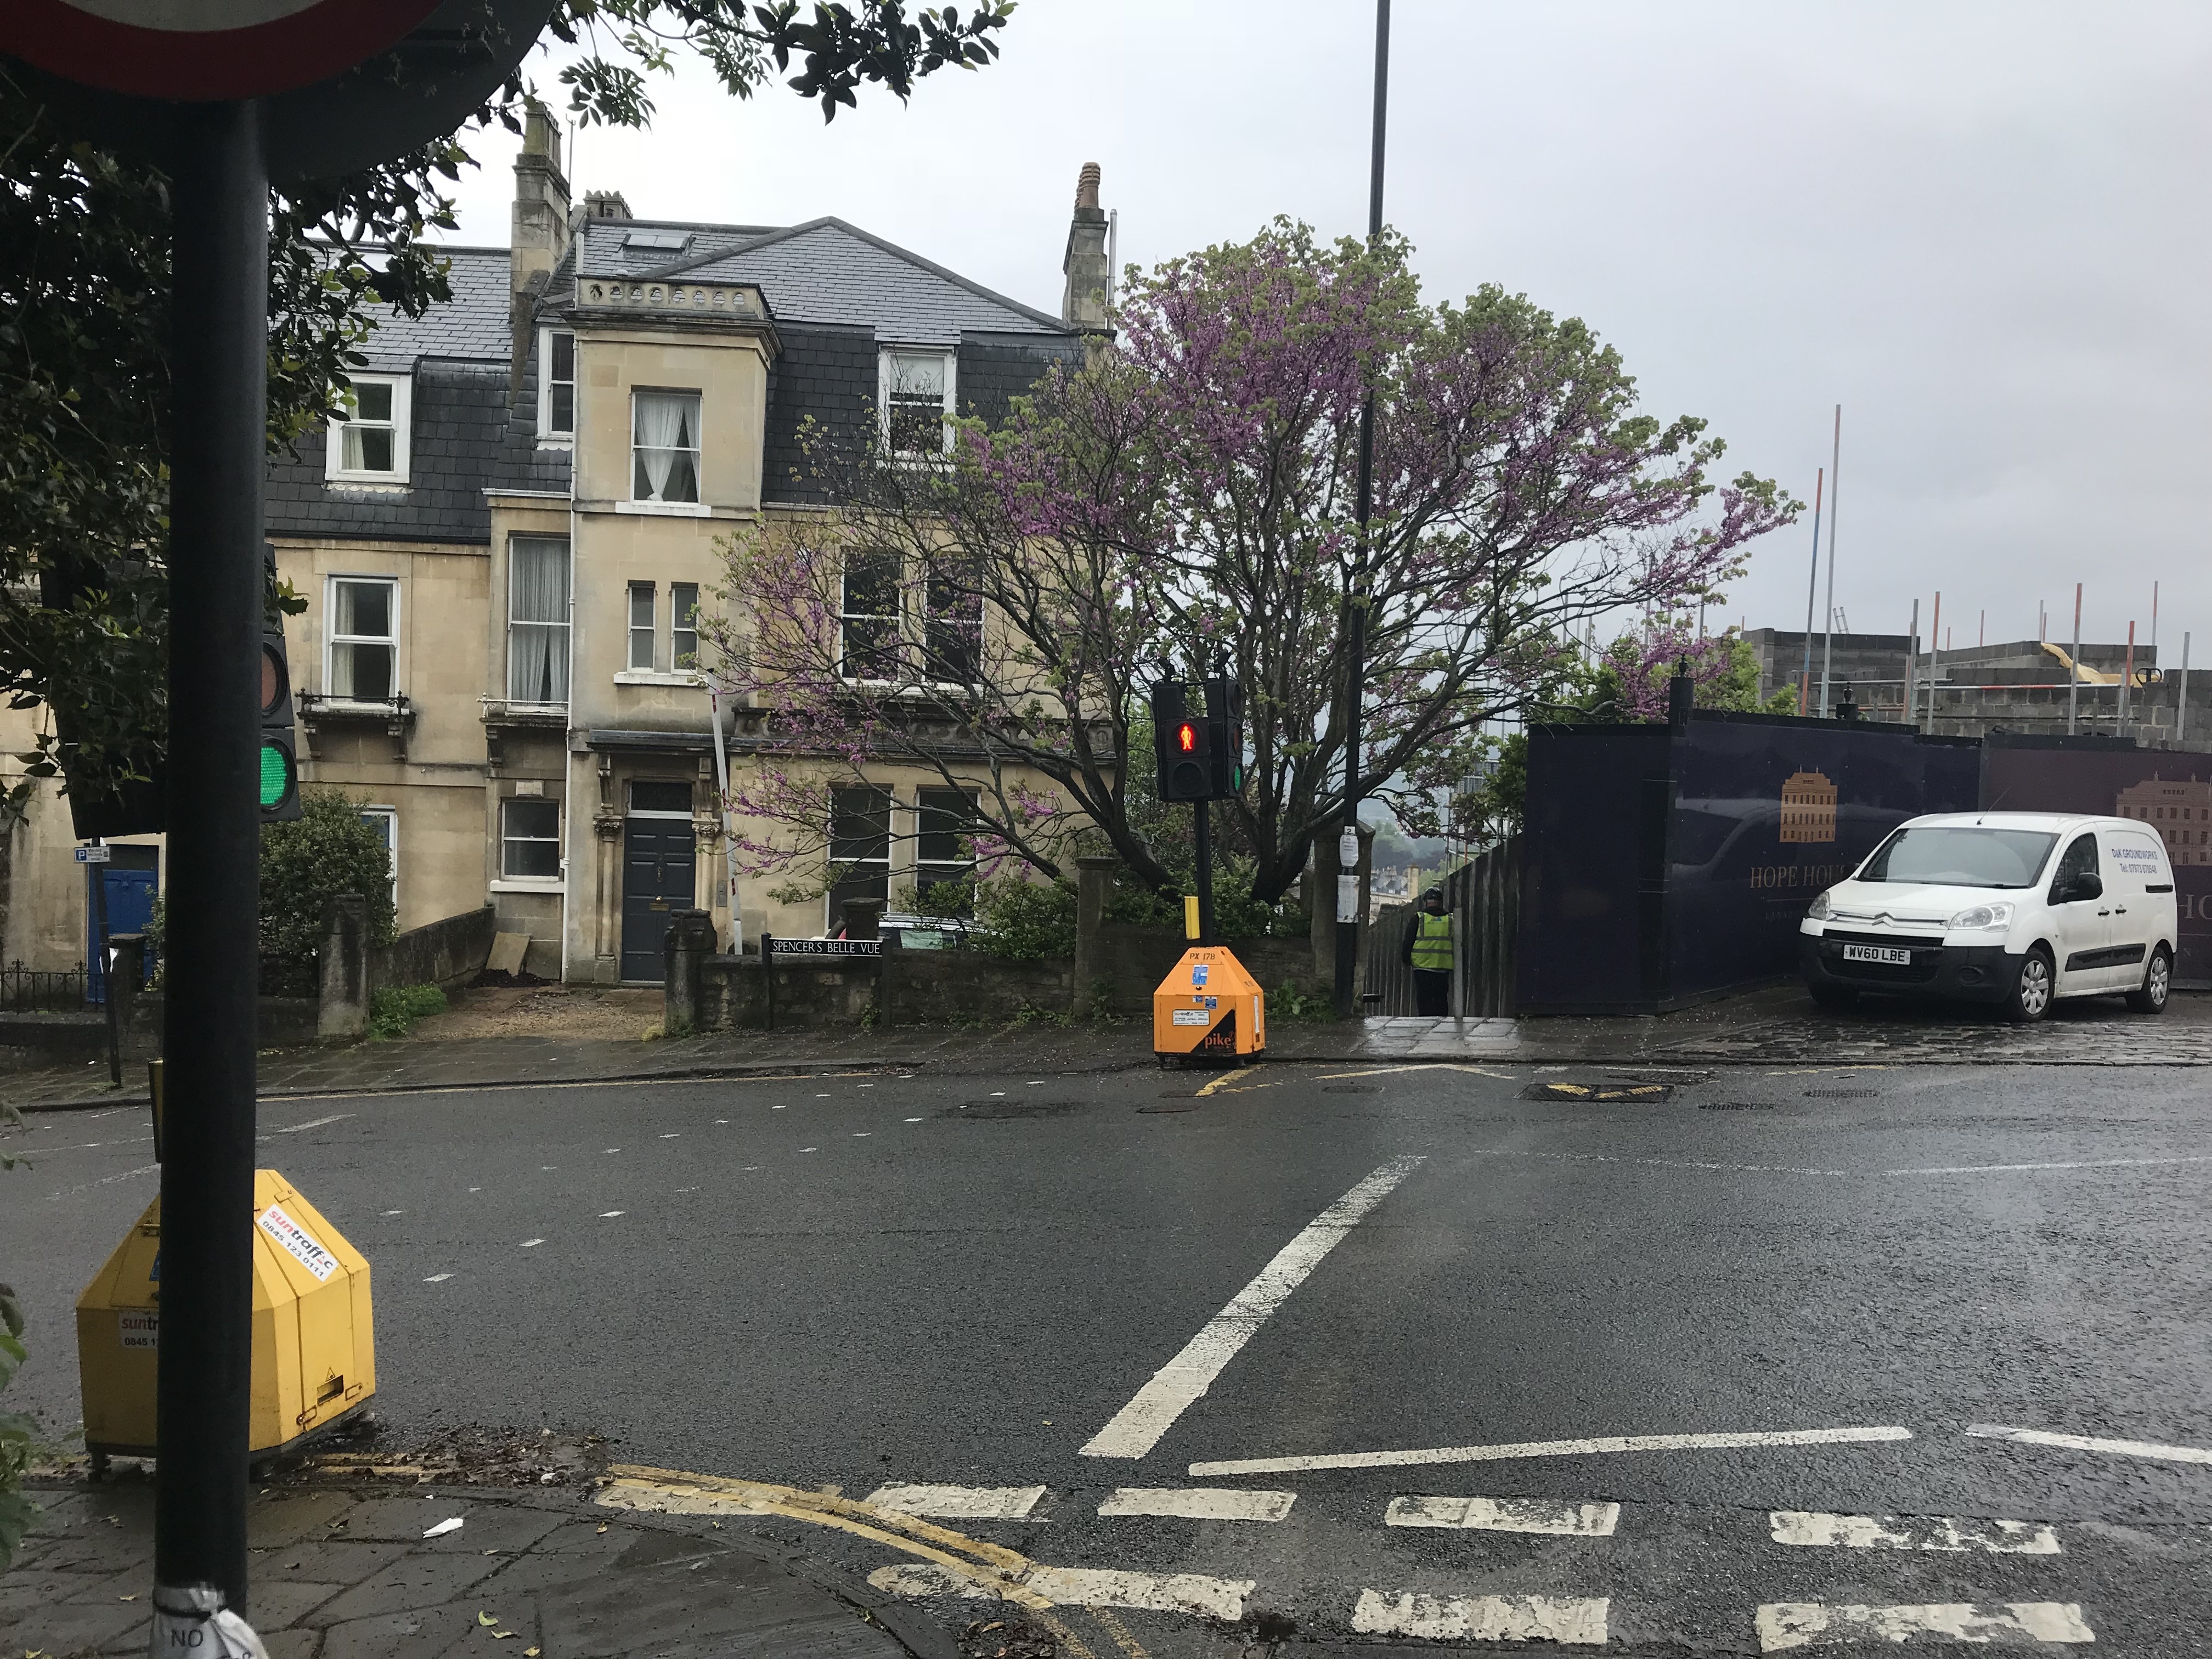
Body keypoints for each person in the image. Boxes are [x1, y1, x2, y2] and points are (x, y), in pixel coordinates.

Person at [1402, 887, 1454, 1015]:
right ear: (1440, 902)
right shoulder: (1451, 919)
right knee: (1441, 999)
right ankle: (1441, 1026)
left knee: (1424, 999)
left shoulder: (1419, 918)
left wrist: (1406, 960)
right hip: (1443, 967)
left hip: (1422, 968)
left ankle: (1425, 1025)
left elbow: (1408, 942)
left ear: (1426, 901)